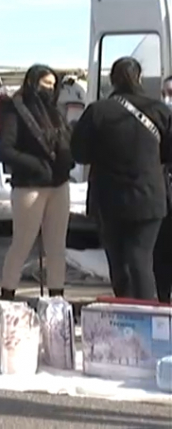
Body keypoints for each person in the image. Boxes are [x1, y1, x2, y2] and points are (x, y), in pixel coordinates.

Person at [71, 58, 172, 300]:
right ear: (139, 78)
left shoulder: (98, 111)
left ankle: (125, 313)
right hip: (149, 196)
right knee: (141, 259)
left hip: (109, 197)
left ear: (112, 80)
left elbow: (79, 153)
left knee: (118, 262)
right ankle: (147, 316)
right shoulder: (159, 110)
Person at [0, 64, 73, 300]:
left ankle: (57, 300)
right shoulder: (15, 110)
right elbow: (4, 150)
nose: (49, 89)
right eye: (44, 84)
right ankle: (7, 298)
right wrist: (35, 164)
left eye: (52, 85)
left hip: (58, 184)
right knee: (22, 244)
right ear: (32, 83)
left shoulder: (55, 111)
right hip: (29, 186)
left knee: (57, 247)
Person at [156, 75, 172, 303]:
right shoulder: (158, 123)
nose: (168, 100)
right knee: (162, 254)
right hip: (163, 197)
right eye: (165, 94)